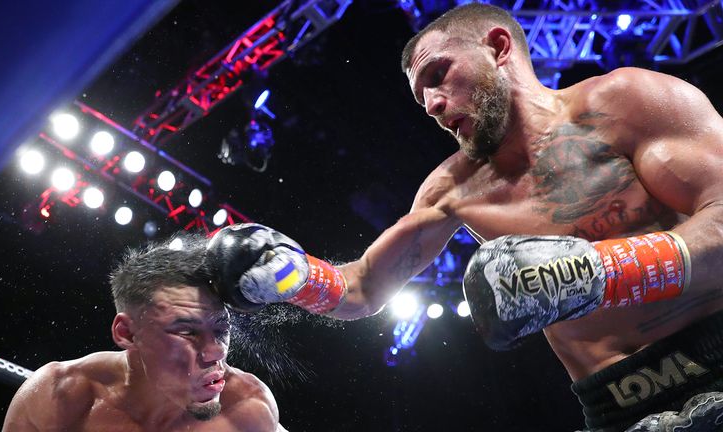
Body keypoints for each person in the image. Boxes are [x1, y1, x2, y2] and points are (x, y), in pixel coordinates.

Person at [204, 4, 723, 431]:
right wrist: (285, 273)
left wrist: (593, 271)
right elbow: (361, 288)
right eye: (420, 94)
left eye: (438, 75)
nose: (431, 103)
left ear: (499, 48)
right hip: (618, 410)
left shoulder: (625, 103)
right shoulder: (451, 190)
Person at [2, 233, 285, 432]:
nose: (217, 351)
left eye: (221, 329)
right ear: (126, 333)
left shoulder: (246, 411)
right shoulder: (59, 399)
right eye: (187, 331)